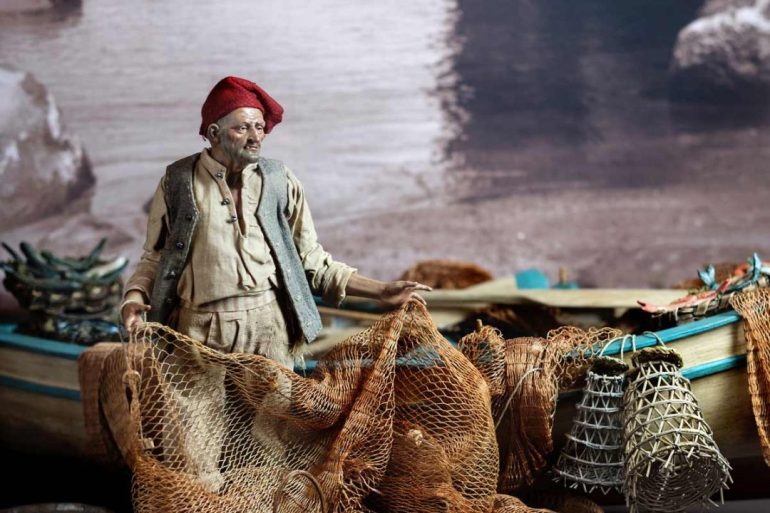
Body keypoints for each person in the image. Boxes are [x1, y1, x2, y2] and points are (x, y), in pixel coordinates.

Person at [120, 76, 430, 368]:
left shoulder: (280, 181)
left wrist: (381, 290)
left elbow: (312, 262)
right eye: (242, 128)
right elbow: (155, 257)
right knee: (198, 424)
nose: (255, 137)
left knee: (273, 422)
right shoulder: (177, 182)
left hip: (270, 327)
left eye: (259, 127)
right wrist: (133, 298)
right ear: (214, 133)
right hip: (200, 331)